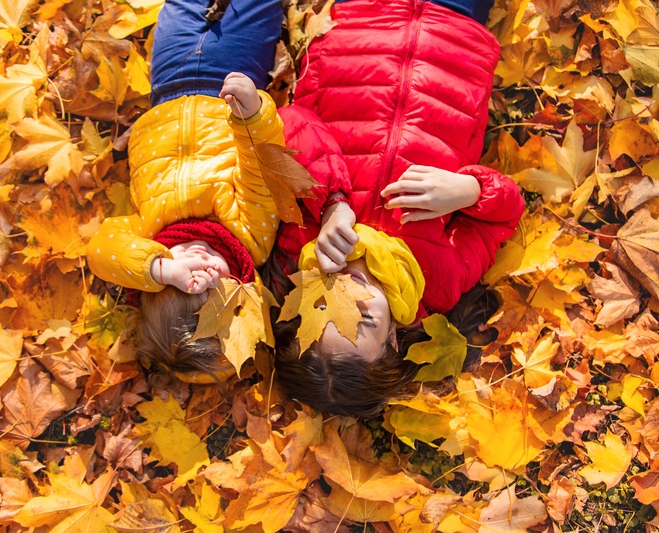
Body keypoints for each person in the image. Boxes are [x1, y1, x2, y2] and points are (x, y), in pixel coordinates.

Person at [264, 0, 526, 417]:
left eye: (323, 310)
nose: (349, 296)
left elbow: (290, 121)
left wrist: (332, 204)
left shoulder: (298, 243)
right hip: (455, 36)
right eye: (363, 321)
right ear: (390, 337)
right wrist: (469, 190)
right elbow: (504, 218)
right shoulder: (438, 282)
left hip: (363, 17)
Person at [86, 0, 285, 382]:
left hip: (168, 84)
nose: (202, 268)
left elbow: (101, 250)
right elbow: (260, 174)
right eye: (216, 284)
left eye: (187, 279)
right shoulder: (248, 236)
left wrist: (160, 268)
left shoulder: (148, 232)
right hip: (228, 84)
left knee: (182, 8)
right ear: (243, 289)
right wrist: (252, 117)